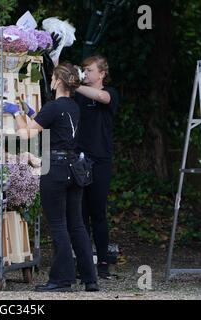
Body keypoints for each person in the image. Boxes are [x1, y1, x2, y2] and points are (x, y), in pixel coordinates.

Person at [3, 63, 99, 292]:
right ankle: (90, 278)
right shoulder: (73, 107)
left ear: (57, 81)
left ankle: (62, 279)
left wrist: (16, 112)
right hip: (74, 168)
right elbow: (52, 126)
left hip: (54, 169)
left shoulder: (53, 106)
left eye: (53, 78)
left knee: (58, 225)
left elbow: (26, 134)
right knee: (76, 224)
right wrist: (31, 113)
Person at [74, 55, 119, 279]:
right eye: (84, 70)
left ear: (101, 74)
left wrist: (77, 85)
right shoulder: (77, 95)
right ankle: (83, 264)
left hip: (101, 160)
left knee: (98, 213)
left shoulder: (110, 92)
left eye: (90, 70)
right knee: (79, 214)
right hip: (79, 160)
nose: (86, 73)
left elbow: (102, 97)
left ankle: (102, 263)